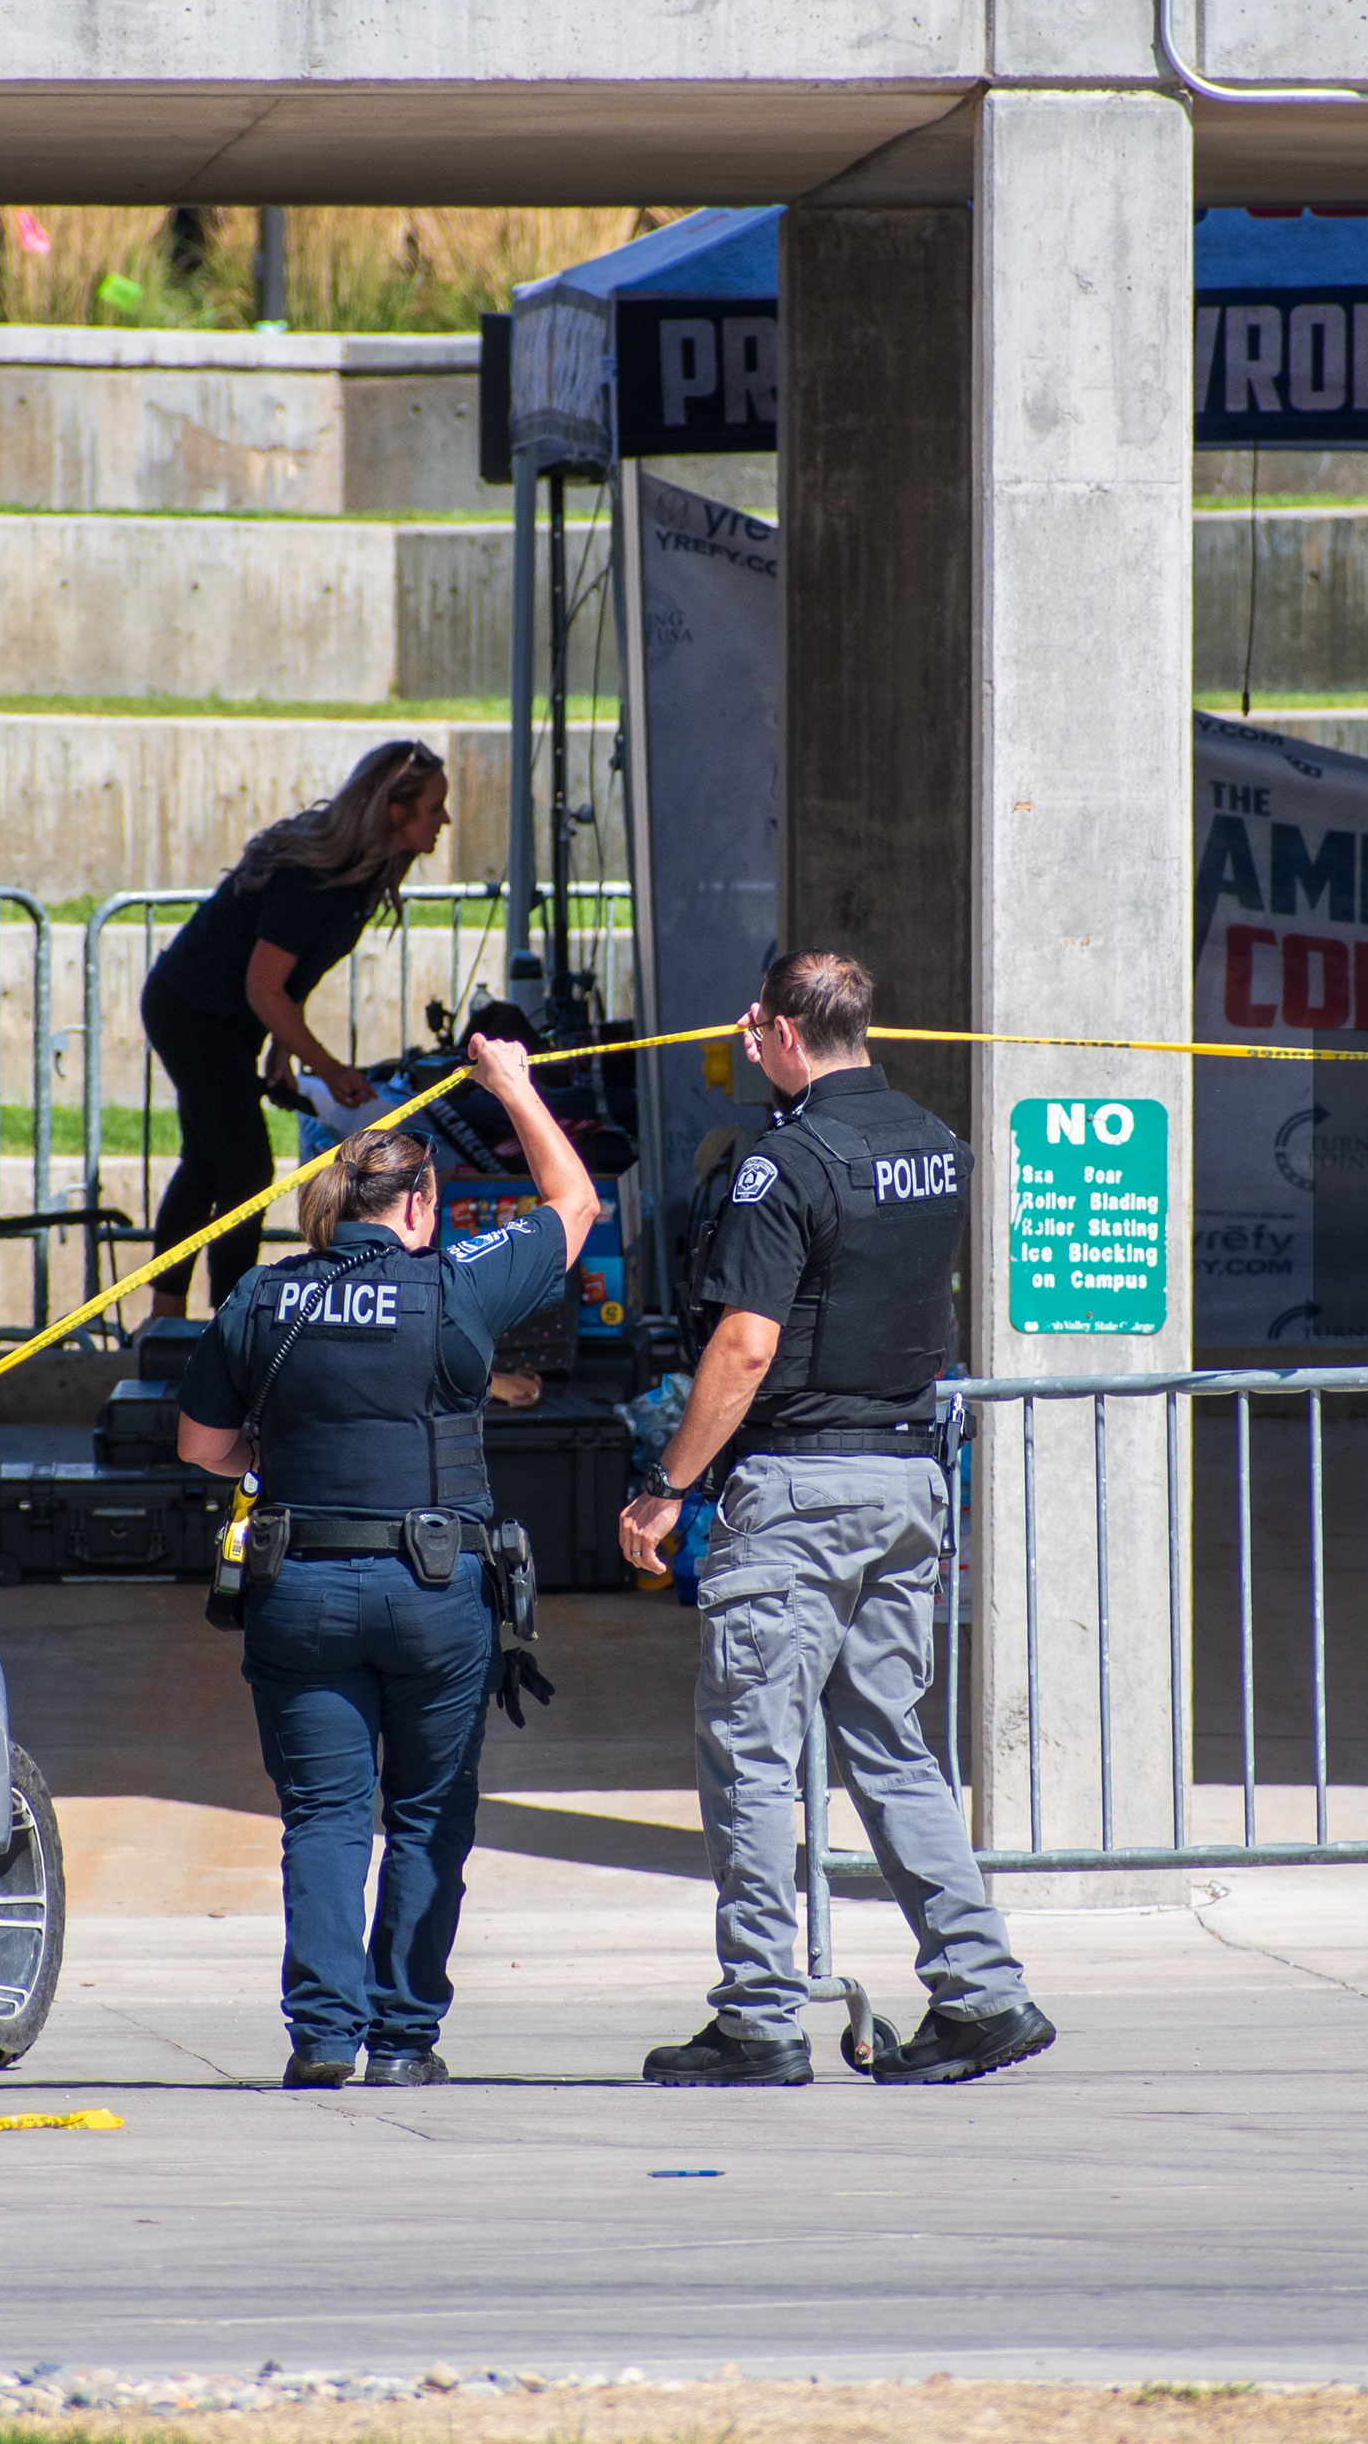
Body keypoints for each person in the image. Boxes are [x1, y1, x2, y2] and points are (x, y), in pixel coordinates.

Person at [614, 951, 1053, 2088]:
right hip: (909, 1482)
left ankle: (760, 2019)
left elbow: (746, 1344)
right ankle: (981, 1990)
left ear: (787, 1032)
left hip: (801, 1488)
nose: (749, 1042)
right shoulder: (936, 1143)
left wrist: (667, 1485)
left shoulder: (785, 1163)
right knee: (892, 1746)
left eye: (756, 1026)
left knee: (752, 1760)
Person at [174, 1034, 595, 2088]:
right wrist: (514, 1087)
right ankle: (403, 2038)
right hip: (435, 1589)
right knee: (426, 1816)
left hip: (300, 1585)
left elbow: (199, 1447)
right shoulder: (456, 1291)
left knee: (323, 1815)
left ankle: (322, 2037)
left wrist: (280, 1446)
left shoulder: (262, 1300)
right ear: (416, 1207)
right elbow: (574, 1203)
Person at [140, 741, 452, 1317]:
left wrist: (283, 1056)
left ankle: (168, 1316)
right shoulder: (312, 878)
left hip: (233, 1023)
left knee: (210, 1160)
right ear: (394, 811)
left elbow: (294, 976)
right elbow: (265, 986)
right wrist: (329, 1070)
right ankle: (227, 1317)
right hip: (190, 1009)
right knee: (247, 1168)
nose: (444, 821)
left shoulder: (357, 880)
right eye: (434, 808)